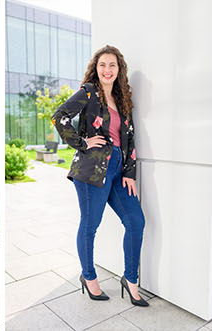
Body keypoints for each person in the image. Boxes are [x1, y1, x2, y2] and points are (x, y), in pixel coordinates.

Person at [51, 45, 149, 307]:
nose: (107, 70)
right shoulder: (89, 92)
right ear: (96, 67)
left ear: (119, 70)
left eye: (112, 65)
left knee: (136, 221)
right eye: (103, 64)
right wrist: (82, 142)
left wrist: (130, 173)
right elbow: (59, 116)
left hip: (118, 170)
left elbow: (129, 137)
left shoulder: (123, 99)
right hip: (92, 169)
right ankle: (89, 277)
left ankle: (130, 279)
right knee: (90, 224)